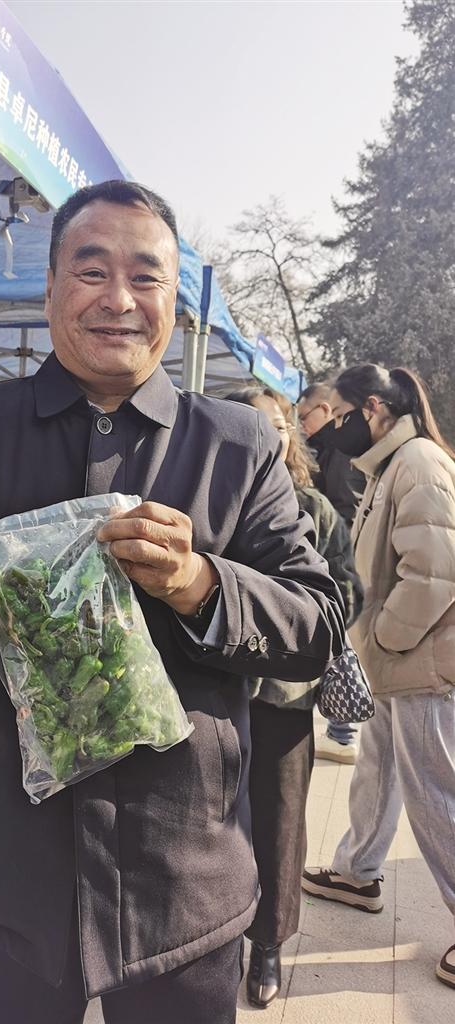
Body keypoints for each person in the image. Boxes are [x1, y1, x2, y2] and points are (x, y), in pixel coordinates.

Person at [0, 181, 345, 1024]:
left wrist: (199, 583)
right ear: (51, 286)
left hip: (182, 876)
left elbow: (314, 625)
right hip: (0, 863)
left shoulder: (235, 445)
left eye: (145, 276)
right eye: (91, 272)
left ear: (175, 302)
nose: (118, 299)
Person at [301, 363, 455, 990]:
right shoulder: (392, 464)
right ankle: (357, 871)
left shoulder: (417, 463)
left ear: (371, 408)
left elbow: (436, 573)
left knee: (435, 793)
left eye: (338, 415)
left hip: (422, 658)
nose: (331, 429)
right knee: (379, 767)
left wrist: (385, 637)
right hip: (399, 657)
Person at [226, 386, 362, 1007]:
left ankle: (269, 942)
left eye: (278, 425)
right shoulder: (205, 500)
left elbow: (345, 593)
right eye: (253, 424)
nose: (268, 436)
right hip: (210, 693)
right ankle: (209, 934)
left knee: (279, 822)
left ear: (291, 436)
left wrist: (285, 612)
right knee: (207, 819)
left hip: (284, 694)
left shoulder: (315, 509)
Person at [298, 380, 368, 763]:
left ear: (324, 410)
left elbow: (343, 508)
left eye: (303, 416)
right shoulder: (329, 447)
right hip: (335, 559)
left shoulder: (339, 451)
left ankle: (343, 731)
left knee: (340, 641)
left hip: (337, 560)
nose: (301, 425)